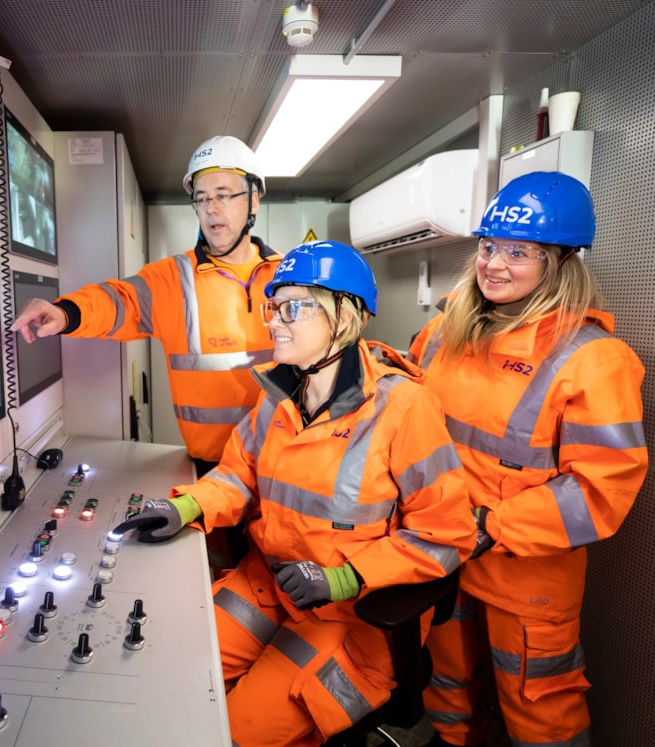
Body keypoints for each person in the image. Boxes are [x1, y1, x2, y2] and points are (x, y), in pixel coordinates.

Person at [112, 240, 476, 747]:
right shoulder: (280, 397)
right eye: (272, 306)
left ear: (344, 316)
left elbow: (447, 535)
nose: (274, 322)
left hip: (352, 618)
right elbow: (237, 475)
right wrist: (187, 505)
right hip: (271, 584)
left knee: (231, 733)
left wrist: (346, 579)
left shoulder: (404, 408)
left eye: (293, 307)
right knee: (164, 675)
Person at [408, 172, 649, 747]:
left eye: (518, 252)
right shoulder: (444, 333)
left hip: (527, 577)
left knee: (540, 714)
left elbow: (600, 490)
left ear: (560, 262)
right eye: (489, 246)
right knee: (446, 687)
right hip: (443, 554)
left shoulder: (594, 360)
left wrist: (493, 524)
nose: (493, 263)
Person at [11, 135, 282, 571]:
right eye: (202, 198)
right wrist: (64, 313)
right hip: (209, 470)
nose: (212, 208)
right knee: (220, 582)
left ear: (254, 199)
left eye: (226, 194)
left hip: (281, 467)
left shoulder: (288, 277)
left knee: (280, 578)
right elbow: (119, 301)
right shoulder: (172, 279)